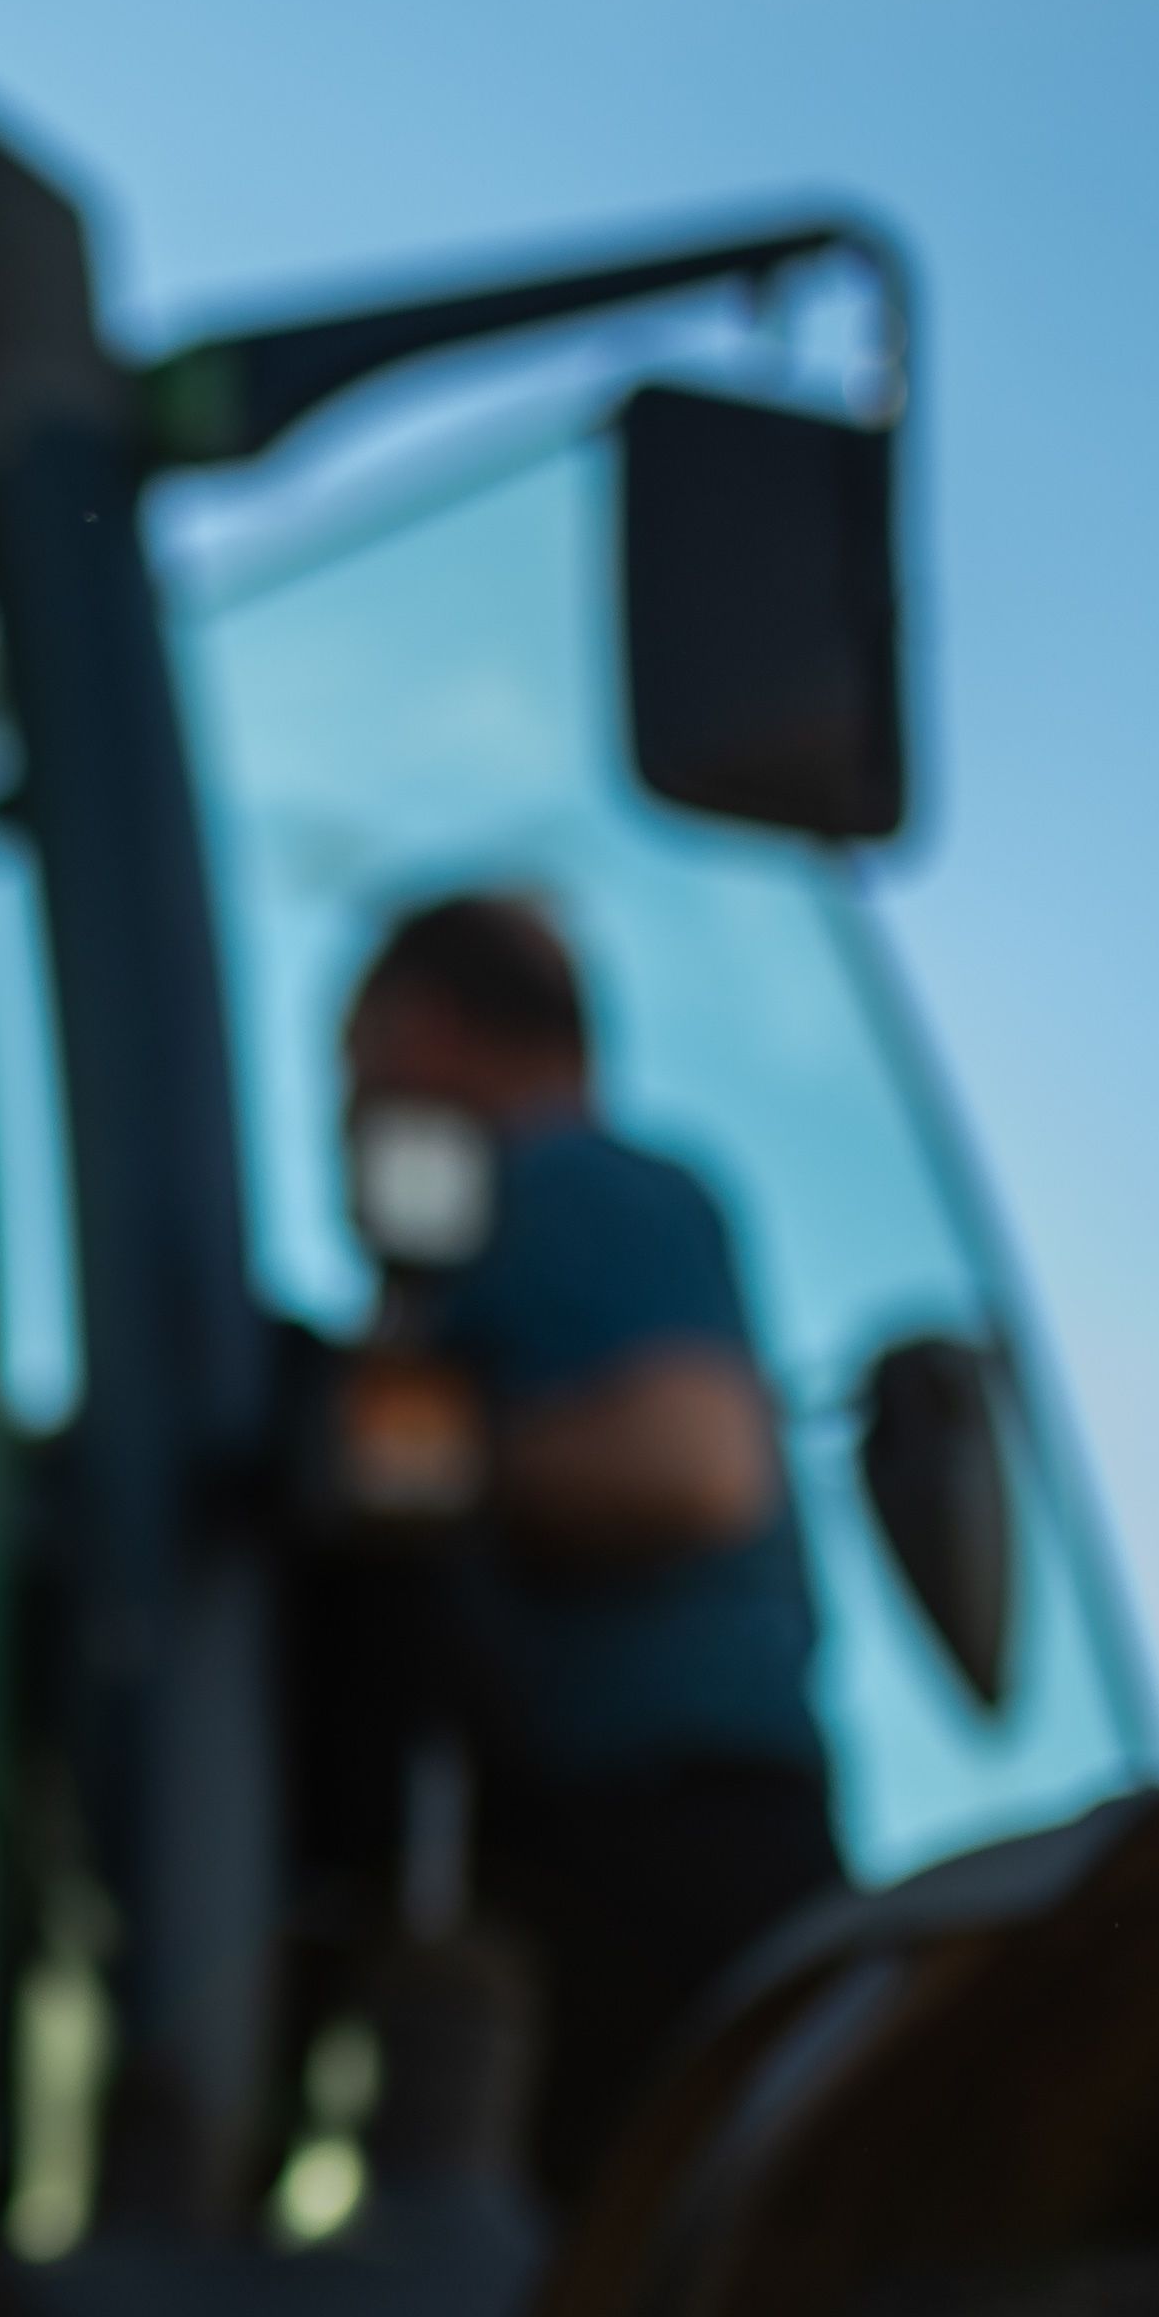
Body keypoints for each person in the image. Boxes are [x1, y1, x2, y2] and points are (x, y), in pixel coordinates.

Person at [339, 892, 839, 2187]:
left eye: (349, 1062)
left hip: (654, 1866)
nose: (341, 1114)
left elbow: (693, 1462)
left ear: (423, 1027)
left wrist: (409, 1472)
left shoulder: (559, 1180)